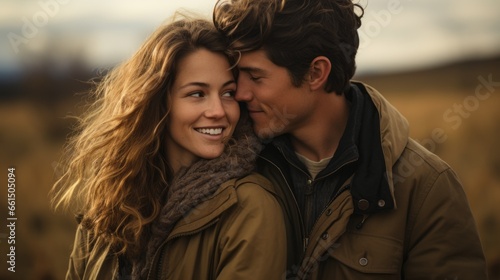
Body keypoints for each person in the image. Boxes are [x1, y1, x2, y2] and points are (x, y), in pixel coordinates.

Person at [213, 0, 488, 279]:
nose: (240, 93)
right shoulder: (228, 168)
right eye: (237, 76)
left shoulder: (427, 188)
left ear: (316, 73)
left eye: (256, 77)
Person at [51, 17, 287, 279]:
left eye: (228, 93)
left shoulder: (250, 209)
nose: (218, 111)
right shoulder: (111, 203)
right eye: (197, 94)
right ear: (158, 103)